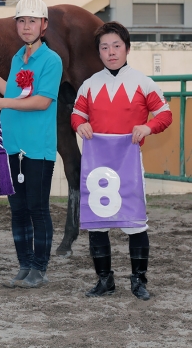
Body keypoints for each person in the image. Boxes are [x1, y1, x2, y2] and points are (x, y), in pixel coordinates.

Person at [71, 21, 172, 300]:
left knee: (135, 224)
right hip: (98, 165)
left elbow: (165, 114)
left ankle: (139, 281)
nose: (111, 52)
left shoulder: (143, 82)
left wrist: (148, 127)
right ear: (99, 52)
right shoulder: (89, 85)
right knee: (97, 223)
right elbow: (77, 115)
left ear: (127, 48)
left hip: (129, 164)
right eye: (105, 47)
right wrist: (80, 125)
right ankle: (105, 281)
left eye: (116, 46)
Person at [0, 0, 62, 288]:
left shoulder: (51, 60)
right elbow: (16, 93)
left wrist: (2, 102)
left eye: (32, 21)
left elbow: (40, 101)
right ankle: (25, 265)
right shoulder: (17, 58)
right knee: (18, 209)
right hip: (11, 146)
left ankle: (39, 267)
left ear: (44, 26)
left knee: (38, 208)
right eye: (21, 21)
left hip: (37, 148)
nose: (26, 27)